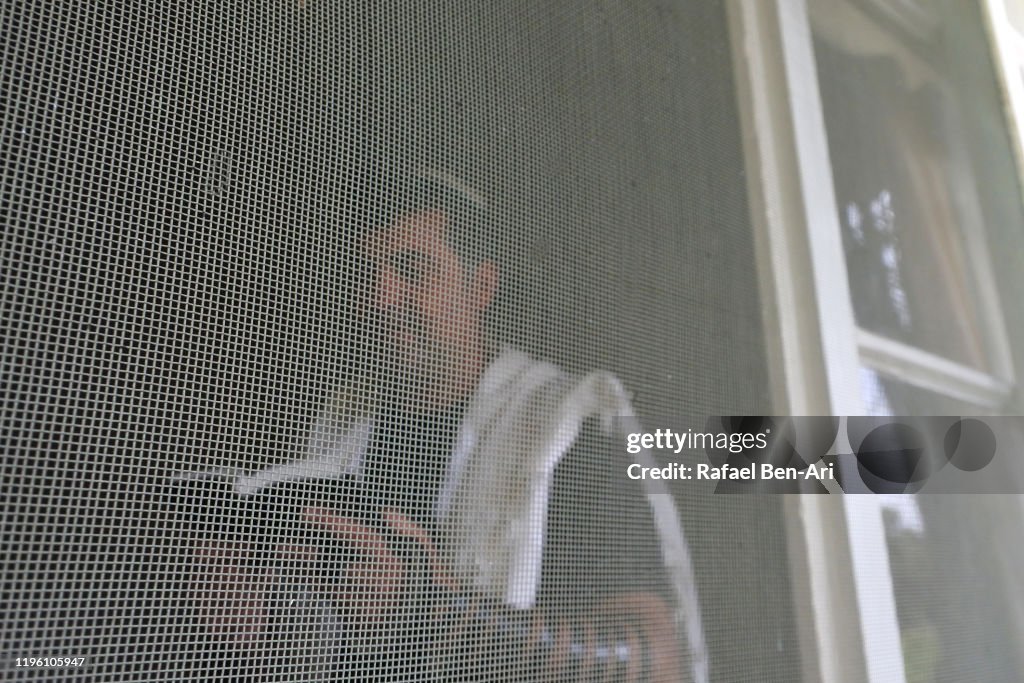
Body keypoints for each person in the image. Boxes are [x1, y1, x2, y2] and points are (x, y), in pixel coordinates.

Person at [186, 169, 706, 682]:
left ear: (480, 286)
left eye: (413, 269)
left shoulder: (564, 429)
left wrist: (431, 613)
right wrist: (251, 616)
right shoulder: (335, 423)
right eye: (368, 277)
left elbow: (655, 660)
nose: (380, 298)